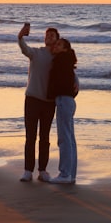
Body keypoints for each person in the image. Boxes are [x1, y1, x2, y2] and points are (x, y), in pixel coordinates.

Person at [17, 22, 58, 182]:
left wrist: (76, 84)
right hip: (32, 99)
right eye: (47, 35)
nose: (49, 37)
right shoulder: (36, 53)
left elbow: (69, 70)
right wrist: (20, 36)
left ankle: (42, 170)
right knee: (30, 136)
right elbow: (24, 49)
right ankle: (28, 170)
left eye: (52, 36)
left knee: (45, 137)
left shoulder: (58, 57)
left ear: (56, 40)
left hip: (49, 102)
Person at [47, 38, 79, 184]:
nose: (56, 46)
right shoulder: (67, 62)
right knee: (70, 138)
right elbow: (73, 80)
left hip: (63, 100)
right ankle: (71, 174)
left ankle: (65, 173)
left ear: (65, 49)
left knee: (64, 138)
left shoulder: (60, 61)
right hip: (69, 101)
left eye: (59, 45)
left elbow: (58, 82)